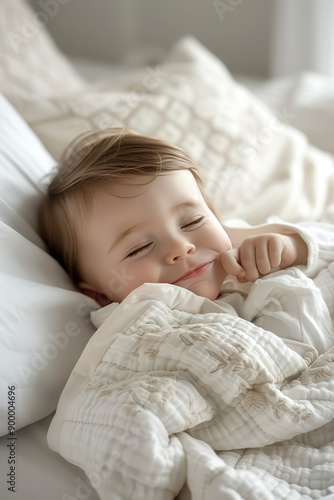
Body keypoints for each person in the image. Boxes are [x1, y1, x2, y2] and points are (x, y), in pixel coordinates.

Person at [39, 128, 334, 351]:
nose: (181, 247)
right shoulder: (134, 330)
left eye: (193, 221)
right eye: (140, 248)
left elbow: (328, 242)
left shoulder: (244, 247)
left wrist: (293, 248)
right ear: (100, 295)